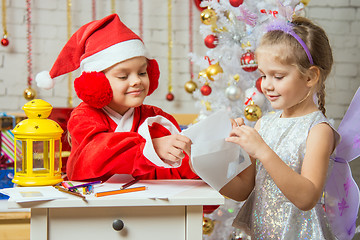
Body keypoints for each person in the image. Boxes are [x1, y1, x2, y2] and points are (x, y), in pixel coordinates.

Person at [221, 16, 349, 239]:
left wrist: (262, 150)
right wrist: (209, 161)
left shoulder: (318, 130)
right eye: (263, 75)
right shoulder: (264, 123)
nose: (267, 85)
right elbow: (242, 191)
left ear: (310, 76)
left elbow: (307, 198)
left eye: (278, 76)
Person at [35, 14, 198, 182]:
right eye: (123, 76)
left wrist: (195, 163)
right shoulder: (83, 117)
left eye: (142, 73)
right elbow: (93, 156)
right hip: (94, 206)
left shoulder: (156, 118)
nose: (136, 81)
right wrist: (150, 147)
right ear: (97, 82)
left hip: (147, 205)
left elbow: (174, 170)